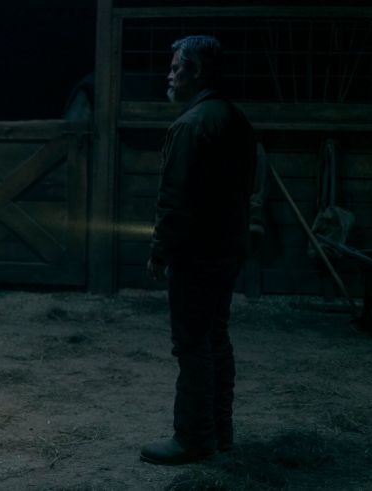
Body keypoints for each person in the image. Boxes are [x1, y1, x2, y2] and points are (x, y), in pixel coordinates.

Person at [141, 36, 256, 465]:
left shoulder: (191, 125)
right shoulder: (234, 118)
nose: (168, 75)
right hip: (227, 247)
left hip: (198, 252)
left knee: (192, 345)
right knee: (215, 339)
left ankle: (192, 438)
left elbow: (176, 199)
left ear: (198, 72)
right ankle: (219, 433)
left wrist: (160, 250)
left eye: (176, 68)